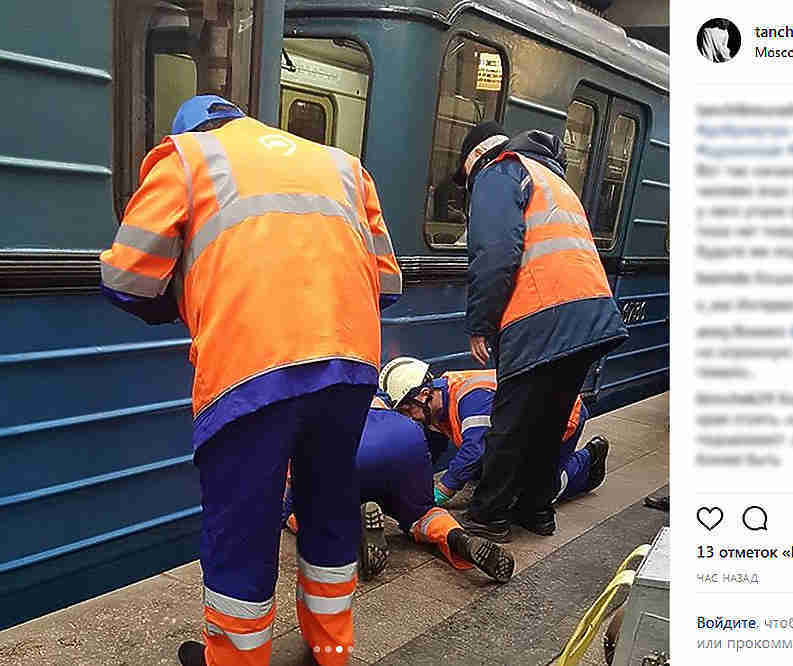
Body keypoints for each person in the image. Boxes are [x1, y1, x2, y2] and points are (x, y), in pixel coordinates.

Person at [99, 95, 401, 666]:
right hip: (351, 363)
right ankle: (332, 650)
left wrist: (193, 297)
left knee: (243, 523)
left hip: (249, 368)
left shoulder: (186, 158)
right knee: (330, 502)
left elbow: (126, 278)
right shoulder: (340, 163)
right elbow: (386, 284)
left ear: (187, 129)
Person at [453, 122, 628, 539]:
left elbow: (496, 252)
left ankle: (489, 514)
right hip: (591, 316)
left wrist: (481, 324)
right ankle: (535, 510)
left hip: (541, 315)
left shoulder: (499, 171)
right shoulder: (552, 177)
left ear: (474, 159)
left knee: (512, 419)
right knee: (549, 422)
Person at [282, 395, 516, 583]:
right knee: (422, 513)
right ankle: (457, 538)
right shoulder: (369, 380)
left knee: (298, 511)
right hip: (403, 435)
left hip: (343, 445)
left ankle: (352, 533)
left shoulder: (298, 394)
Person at [379, 358, 610, 541]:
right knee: (494, 478)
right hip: (518, 430)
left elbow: (474, 449)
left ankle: (587, 463)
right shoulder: (437, 406)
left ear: (423, 394)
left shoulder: (470, 397)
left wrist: (442, 490)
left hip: (558, 419)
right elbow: (433, 449)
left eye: (408, 409)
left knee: (533, 497)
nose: (409, 417)